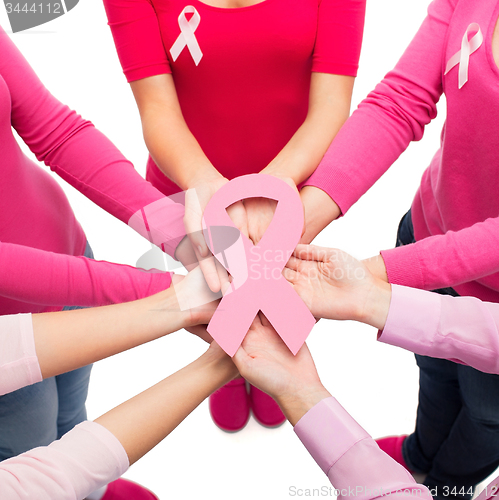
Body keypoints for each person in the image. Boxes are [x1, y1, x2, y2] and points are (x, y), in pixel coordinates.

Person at [102, 0, 366, 432]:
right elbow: (156, 106)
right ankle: (225, 362)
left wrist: (273, 186)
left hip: (292, 179)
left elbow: (332, 106)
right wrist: (205, 182)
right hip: (189, 182)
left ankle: (270, 367)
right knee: (214, 290)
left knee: (277, 288)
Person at [296, 0, 499, 495]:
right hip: (426, 231)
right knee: (432, 368)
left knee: (486, 415)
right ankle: (420, 453)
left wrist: (376, 274)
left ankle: (449, 482)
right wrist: (300, 216)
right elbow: (400, 100)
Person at [0, 23, 199, 499]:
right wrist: (168, 293)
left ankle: (92, 489)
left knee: (72, 411)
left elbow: (54, 128)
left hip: (71, 255)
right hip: (9, 330)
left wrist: (178, 235)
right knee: (35, 457)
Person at [0, 271, 235, 499]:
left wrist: (179, 303)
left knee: (71, 408)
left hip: (60, 265)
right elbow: (33, 486)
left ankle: (91, 489)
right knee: (34, 441)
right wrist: (217, 363)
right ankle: (83, 489)